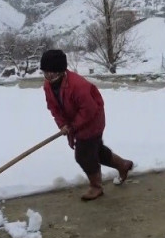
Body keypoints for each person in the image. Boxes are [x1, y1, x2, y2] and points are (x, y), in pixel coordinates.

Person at [40, 49, 134, 201]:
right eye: (45, 73)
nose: (48, 77)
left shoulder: (78, 86)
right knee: (96, 151)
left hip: (92, 120)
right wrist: (62, 124)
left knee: (83, 155)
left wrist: (73, 126)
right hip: (75, 121)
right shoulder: (48, 86)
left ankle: (96, 187)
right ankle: (123, 165)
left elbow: (89, 110)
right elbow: (54, 108)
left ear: (61, 71)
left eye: (52, 73)